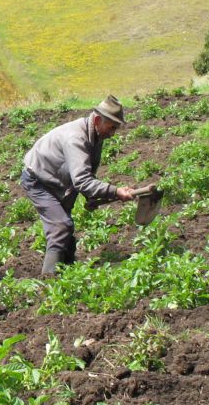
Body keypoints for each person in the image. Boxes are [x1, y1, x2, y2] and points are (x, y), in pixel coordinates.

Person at [20, 95, 135, 276]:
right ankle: (50, 280)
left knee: (65, 225)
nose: (113, 133)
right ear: (98, 120)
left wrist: (92, 197)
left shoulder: (96, 134)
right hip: (38, 179)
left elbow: (87, 170)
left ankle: (69, 270)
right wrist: (115, 191)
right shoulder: (76, 138)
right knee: (60, 225)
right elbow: (81, 180)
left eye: (116, 128)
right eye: (112, 127)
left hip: (60, 178)